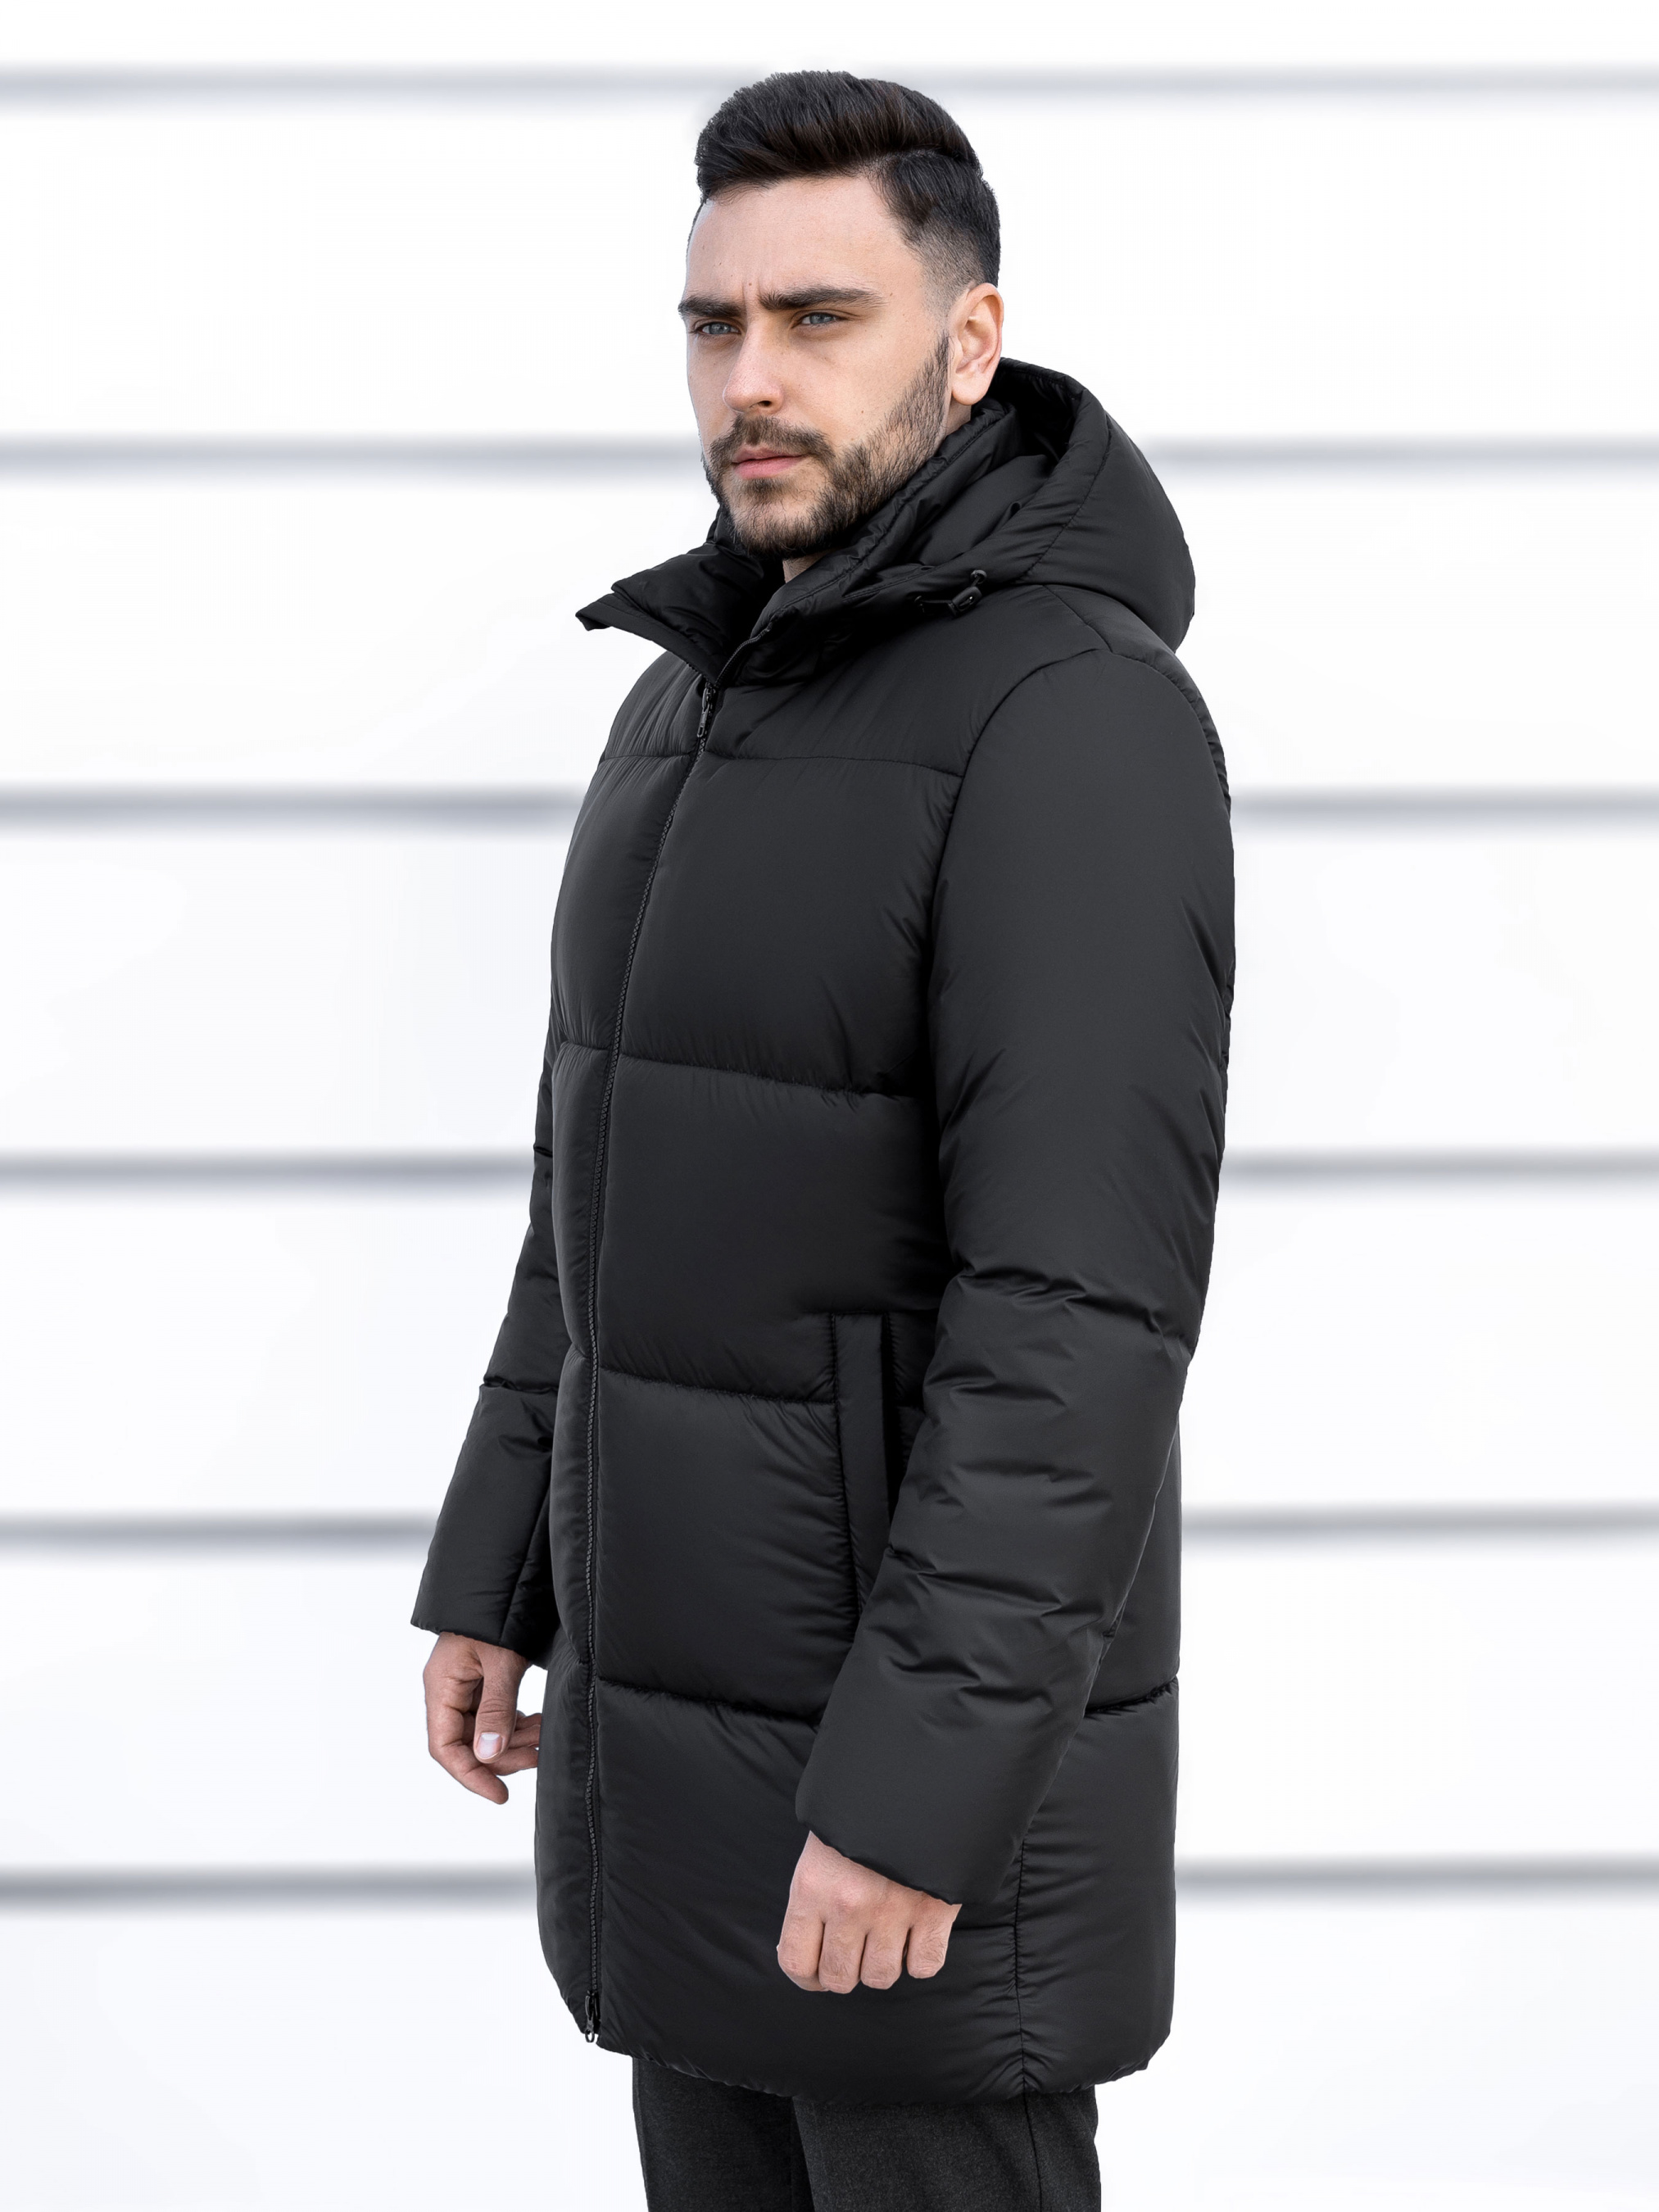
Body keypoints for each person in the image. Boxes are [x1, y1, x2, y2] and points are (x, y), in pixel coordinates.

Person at [413, 70, 1234, 2212]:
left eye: (819, 317)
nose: (751, 379)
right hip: (683, 1754)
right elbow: (596, 1185)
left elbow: (1076, 1320)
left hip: (903, 1805)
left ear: (968, 343)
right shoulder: (692, 694)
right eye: (715, 323)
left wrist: (914, 1794)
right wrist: (504, 1566)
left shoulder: (1065, 716)